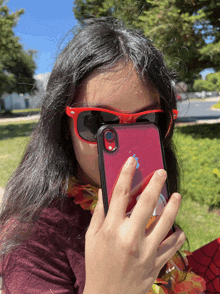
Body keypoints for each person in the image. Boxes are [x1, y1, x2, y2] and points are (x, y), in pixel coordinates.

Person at [0, 17, 189, 293]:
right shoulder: (31, 238)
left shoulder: (151, 201)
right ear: (63, 126)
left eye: (148, 120)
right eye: (98, 121)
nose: (128, 145)